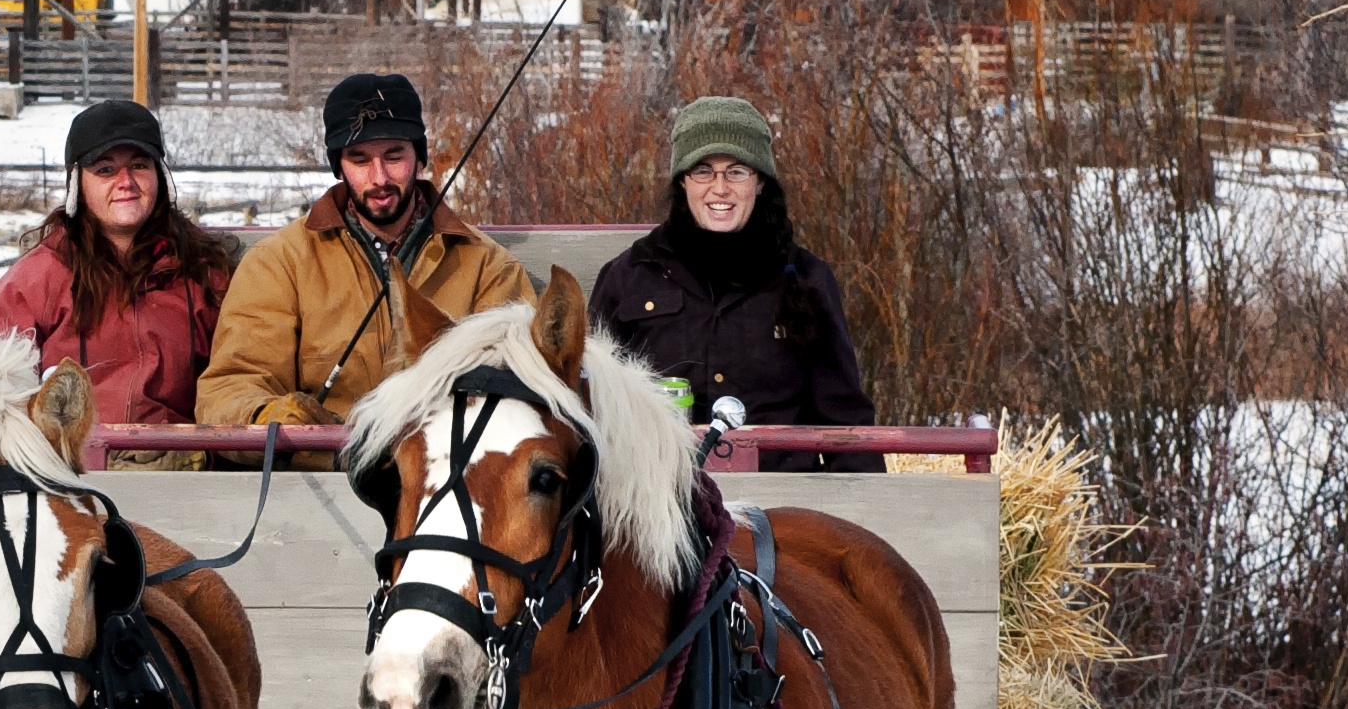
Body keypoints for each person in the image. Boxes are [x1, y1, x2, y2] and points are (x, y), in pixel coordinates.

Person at [194, 69, 535, 433]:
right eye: (359, 159)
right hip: (318, 477)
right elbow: (230, 386)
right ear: (338, 166)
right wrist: (269, 418)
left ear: (418, 157)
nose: (380, 178)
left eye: (393, 156)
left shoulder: (487, 266)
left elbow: (524, 391)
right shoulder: (279, 264)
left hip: (444, 480)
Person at [591, 95, 877, 452]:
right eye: (703, 170)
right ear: (683, 181)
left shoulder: (806, 280)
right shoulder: (630, 277)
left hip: (781, 495)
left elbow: (845, 422)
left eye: (737, 171)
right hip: (660, 492)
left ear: (759, 182)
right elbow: (591, 407)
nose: (720, 188)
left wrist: (864, 503)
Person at [0, 101, 237, 430]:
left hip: (181, 461)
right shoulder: (37, 279)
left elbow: (234, 378)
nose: (126, 181)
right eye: (105, 170)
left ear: (159, 177)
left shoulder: (202, 273)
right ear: (77, 184)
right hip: (73, 465)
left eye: (139, 165)